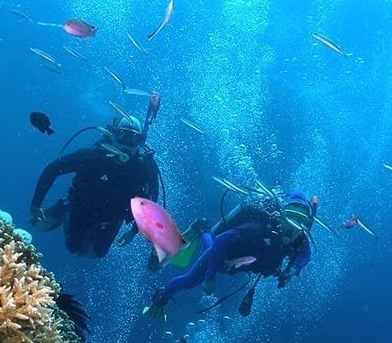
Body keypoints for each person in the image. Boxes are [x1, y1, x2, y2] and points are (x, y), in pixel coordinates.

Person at [143, 188, 316, 320]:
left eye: (301, 220)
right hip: (222, 256)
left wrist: (292, 270)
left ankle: (202, 229)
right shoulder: (259, 229)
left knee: (208, 256)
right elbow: (222, 240)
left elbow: (305, 256)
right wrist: (210, 277)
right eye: (292, 217)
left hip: (245, 263)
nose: (295, 225)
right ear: (282, 215)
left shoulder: (300, 238)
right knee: (189, 280)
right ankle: (162, 295)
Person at [29, 114, 161, 258]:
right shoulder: (92, 156)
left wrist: (134, 231)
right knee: (72, 247)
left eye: (134, 138)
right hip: (81, 206)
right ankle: (64, 206)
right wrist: (36, 204)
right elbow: (53, 169)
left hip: (112, 218)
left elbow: (152, 201)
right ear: (113, 135)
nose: (126, 143)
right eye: (122, 135)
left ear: (140, 142)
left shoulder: (145, 167)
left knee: (96, 255)